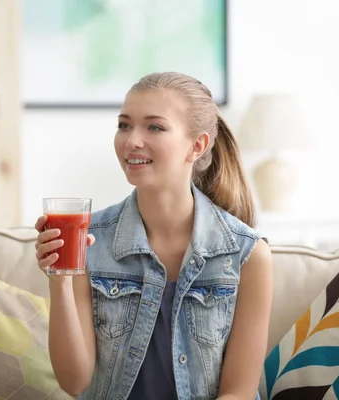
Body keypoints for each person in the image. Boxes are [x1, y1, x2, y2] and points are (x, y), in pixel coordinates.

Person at [35, 72, 273, 400]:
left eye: (155, 127)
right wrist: (60, 278)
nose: (132, 140)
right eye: (124, 125)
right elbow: (74, 382)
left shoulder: (248, 254)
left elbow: (239, 393)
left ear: (198, 145)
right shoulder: (90, 243)